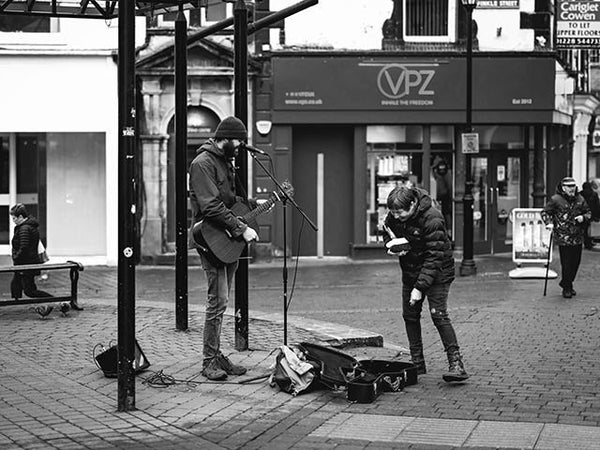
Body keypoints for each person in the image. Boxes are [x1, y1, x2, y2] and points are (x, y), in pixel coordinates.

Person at [188, 116, 259, 381]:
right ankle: (209, 362)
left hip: (227, 242)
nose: (240, 145)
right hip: (212, 240)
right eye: (238, 140)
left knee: (223, 301)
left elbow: (228, 201)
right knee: (216, 302)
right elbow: (210, 206)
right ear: (225, 138)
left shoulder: (225, 161)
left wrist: (252, 203)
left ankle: (217, 355)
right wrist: (242, 229)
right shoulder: (202, 163)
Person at [383, 186, 469, 383]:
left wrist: (419, 288)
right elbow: (387, 233)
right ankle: (417, 364)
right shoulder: (394, 215)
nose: (396, 216)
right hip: (411, 270)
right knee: (410, 316)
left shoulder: (433, 218)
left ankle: (456, 364)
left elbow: (434, 256)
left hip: (438, 272)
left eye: (400, 212)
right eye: (393, 212)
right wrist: (391, 246)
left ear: (413, 204)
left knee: (438, 315)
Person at [541, 177, 591, 299]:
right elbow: (545, 212)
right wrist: (549, 223)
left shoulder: (580, 199)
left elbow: (588, 212)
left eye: (573, 186)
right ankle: (567, 288)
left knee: (576, 262)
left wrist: (583, 217)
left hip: (577, 236)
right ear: (563, 188)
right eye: (569, 186)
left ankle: (566, 282)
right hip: (563, 237)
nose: (572, 188)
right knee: (567, 263)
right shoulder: (555, 199)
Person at [10, 203, 52, 300]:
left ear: (20, 217)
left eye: (14, 218)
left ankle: (55, 301)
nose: (13, 221)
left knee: (29, 291)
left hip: (26, 263)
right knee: (16, 285)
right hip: (26, 263)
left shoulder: (24, 228)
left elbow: (24, 247)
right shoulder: (29, 226)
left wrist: (16, 257)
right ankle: (15, 305)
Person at [580, 180, 600, 249]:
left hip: (582, 213)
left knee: (583, 228)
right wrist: (597, 215)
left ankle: (584, 242)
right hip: (591, 213)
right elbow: (597, 206)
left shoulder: (580, 194)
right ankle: (589, 242)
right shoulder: (594, 194)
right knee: (589, 228)